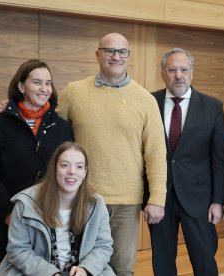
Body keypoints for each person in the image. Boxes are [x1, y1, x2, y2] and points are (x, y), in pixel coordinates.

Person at [56, 33, 167, 275]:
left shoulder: (145, 100)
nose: (116, 57)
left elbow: (156, 153)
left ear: (129, 57)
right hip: (81, 197)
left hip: (125, 203)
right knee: (78, 266)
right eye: (109, 51)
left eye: (122, 52)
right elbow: (51, 135)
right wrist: (14, 105)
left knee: (121, 268)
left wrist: (157, 198)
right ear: (98, 54)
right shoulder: (74, 92)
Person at [0, 59, 74, 276]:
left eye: (48, 83)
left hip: (46, 214)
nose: (44, 89)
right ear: (21, 86)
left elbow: (68, 170)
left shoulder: (62, 127)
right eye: (37, 82)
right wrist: (7, 210)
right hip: (4, 212)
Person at [147, 48, 224, 276]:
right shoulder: (149, 102)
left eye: (183, 69)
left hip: (199, 198)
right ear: (163, 74)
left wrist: (217, 201)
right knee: (162, 263)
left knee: (204, 260)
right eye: (172, 70)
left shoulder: (212, 107)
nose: (178, 75)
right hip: (159, 196)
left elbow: (220, 158)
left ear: (192, 72)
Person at [0, 141, 115, 276]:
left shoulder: (96, 203)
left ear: (85, 172)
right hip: (37, 272)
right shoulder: (25, 203)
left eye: (79, 166)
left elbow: (103, 246)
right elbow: (18, 250)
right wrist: (51, 273)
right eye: (64, 165)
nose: (72, 172)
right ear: (54, 168)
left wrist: (85, 269)